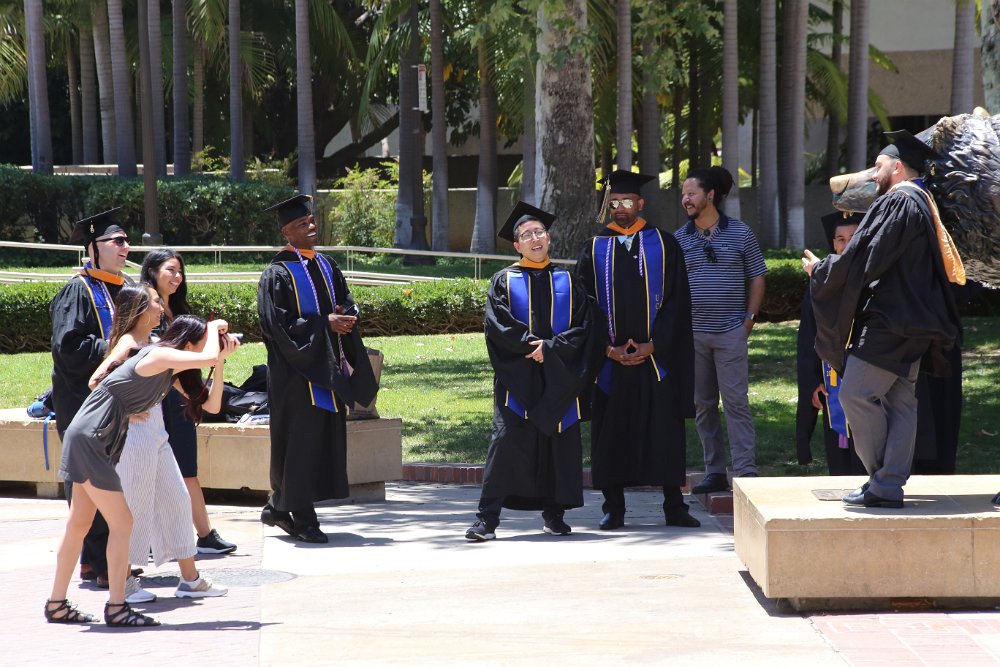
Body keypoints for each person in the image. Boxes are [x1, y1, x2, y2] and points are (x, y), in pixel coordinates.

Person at [803, 130, 964, 508]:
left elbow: (864, 255)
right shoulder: (923, 202)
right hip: (917, 322)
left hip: (891, 320)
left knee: (855, 394)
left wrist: (822, 270)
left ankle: (882, 482)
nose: (873, 174)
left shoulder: (899, 201)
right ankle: (888, 484)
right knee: (901, 403)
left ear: (898, 167)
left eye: (878, 166)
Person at [45, 314, 238, 627]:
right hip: (94, 438)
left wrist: (220, 362)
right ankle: (117, 606)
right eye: (203, 342)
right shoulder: (158, 355)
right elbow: (206, 356)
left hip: (92, 436)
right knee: (122, 522)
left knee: (79, 524)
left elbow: (212, 406)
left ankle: (56, 604)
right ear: (188, 344)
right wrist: (214, 330)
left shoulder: (169, 372)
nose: (208, 349)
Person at [89, 283, 229, 603]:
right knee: (134, 510)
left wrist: (219, 361)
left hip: (157, 436)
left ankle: (190, 579)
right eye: (154, 301)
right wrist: (124, 409)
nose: (160, 306)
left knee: (178, 500)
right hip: (133, 438)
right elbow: (96, 382)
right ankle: (124, 584)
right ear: (139, 311)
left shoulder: (155, 346)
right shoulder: (128, 342)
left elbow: (209, 404)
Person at [575, 170, 700, 530]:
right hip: (611, 362)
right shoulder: (594, 248)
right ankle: (613, 508)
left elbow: (677, 302)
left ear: (640, 203)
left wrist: (654, 344)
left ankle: (674, 506)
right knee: (612, 434)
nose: (620, 208)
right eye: (614, 202)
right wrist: (607, 349)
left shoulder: (664, 243)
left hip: (656, 360)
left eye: (627, 201)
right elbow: (584, 306)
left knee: (664, 431)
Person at [465, 202, 597, 541]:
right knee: (505, 442)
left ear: (549, 238)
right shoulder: (503, 281)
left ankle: (554, 515)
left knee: (557, 444)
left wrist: (550, 348)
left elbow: (584, 327)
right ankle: (486, 520)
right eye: (527, 235)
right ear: (517, 244)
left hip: (558, 378)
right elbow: (498, 326)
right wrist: (530, 346)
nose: (535, 239)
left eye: (539, 232)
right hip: (518, 378)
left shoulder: (568, 280)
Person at [257, 195, 377, 543]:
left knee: (318, 442)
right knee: (300, 443)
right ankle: (304, 519)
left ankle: (279, 507)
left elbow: (344, 300)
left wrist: (348, 315)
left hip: (326, 368)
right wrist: (325, 323)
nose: (310, 226)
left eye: (311, 220)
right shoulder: (277, 273)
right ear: (286, 232)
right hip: (295, 374)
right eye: (301, 224)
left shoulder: (326, 265)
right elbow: (276, 325)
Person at [50, 209, 131, 588]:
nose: (126, 247)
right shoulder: (78, 291)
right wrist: (118, 349)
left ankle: (92, 560)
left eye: (127, 241)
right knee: (92, 480)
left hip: (111, 402)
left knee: (98, 481)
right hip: (81, 401)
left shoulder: (122, 288)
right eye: (117, 241)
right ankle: (101, 564)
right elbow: (67, 348)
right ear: (93, 247)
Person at [675, 167, 767, 494]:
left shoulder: (740, 233)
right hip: (694, 335)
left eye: (691, 193)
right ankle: (714, 471)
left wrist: (748, 321)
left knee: (736, 403)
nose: (685, 199)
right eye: (684, 194)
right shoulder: (679, 238)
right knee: (703, 405)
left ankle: (745, 472)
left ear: (710, 195)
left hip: (731, 332)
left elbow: (757, 275)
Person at [140, 248, 237, 554]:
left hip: (178, 395)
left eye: (180, 271)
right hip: (150, 401)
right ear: (152, 271)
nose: (177, 276)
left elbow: (199, 375)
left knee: (186, 468)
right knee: (149, 472)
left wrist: (216, 352)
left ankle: (204, 534)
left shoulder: (179, 310)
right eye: (170, 270)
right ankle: (150, 540)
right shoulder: (142, 308)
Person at [795, 212, 865, 475]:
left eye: (852, 238)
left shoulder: (874, 276)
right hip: (832, 382)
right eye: (840, 239)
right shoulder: (820, 282)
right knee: (839, 461)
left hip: (867, 377)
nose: (845, 245)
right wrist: (814, 382)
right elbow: (808, 338)